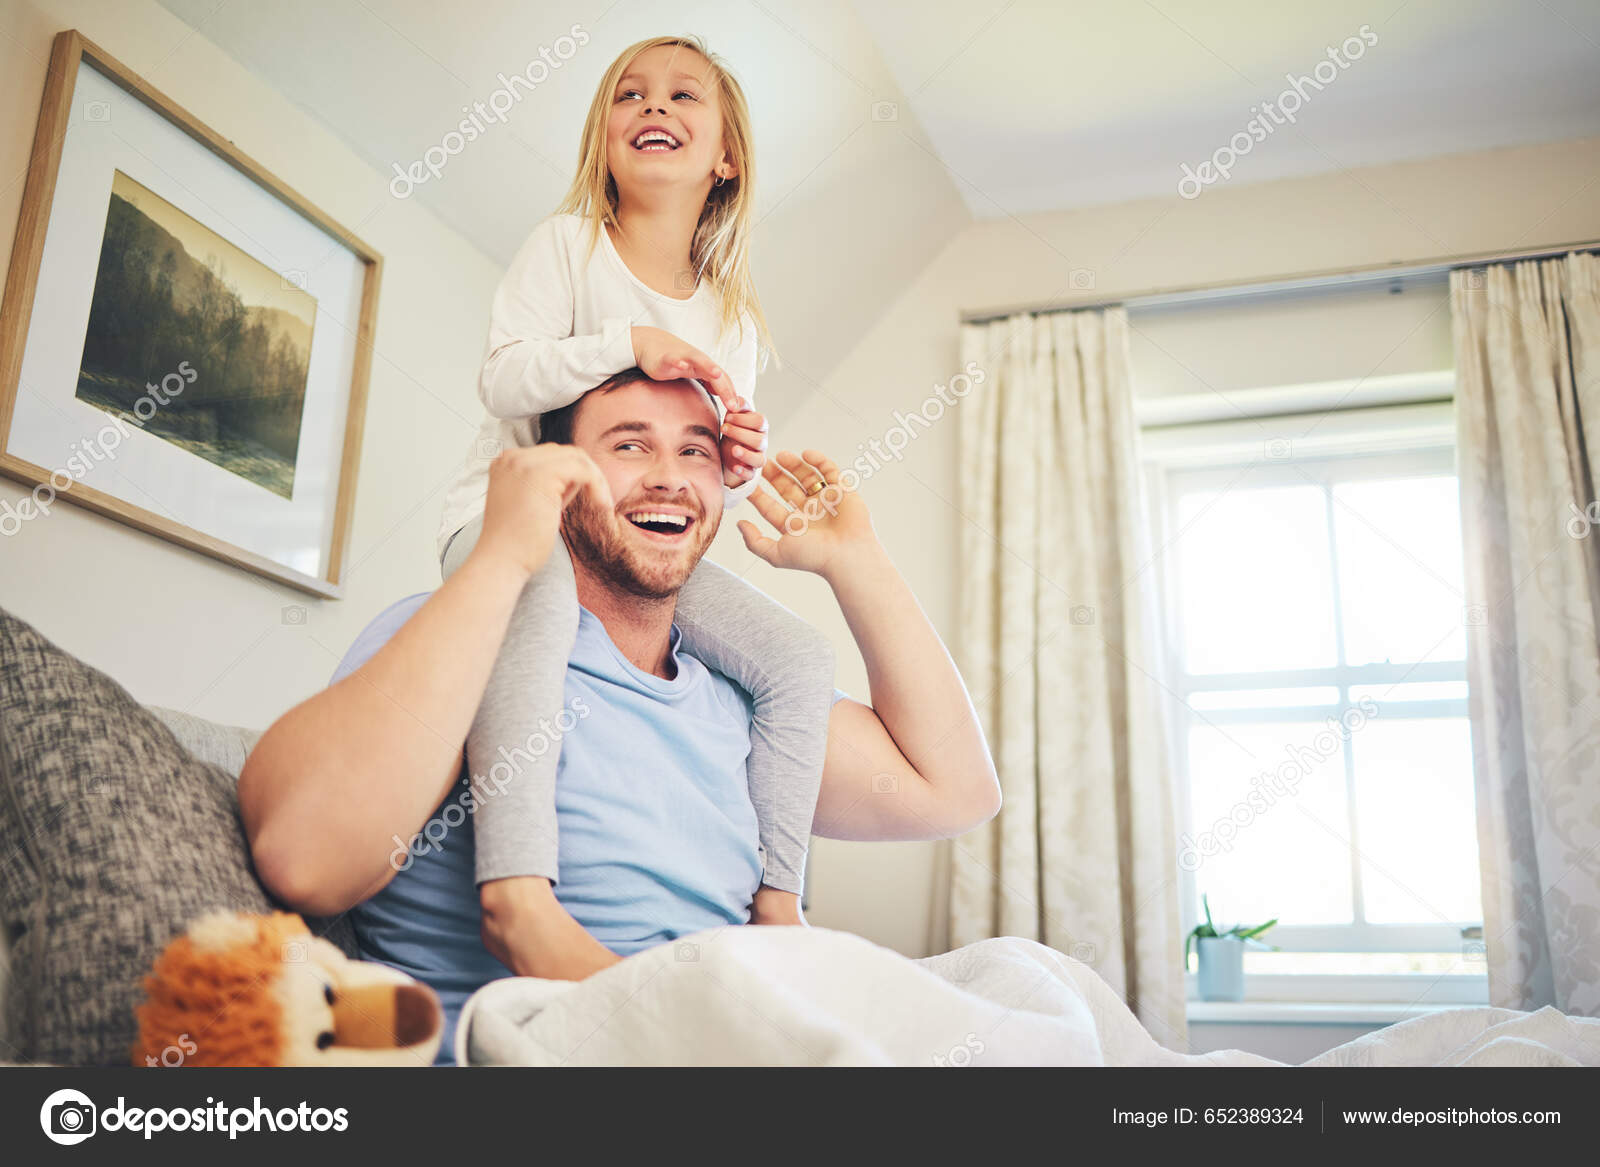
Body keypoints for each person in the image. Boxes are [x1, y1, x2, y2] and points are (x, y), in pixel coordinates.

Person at [238, 369, 1002, 1063]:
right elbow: (304, 858)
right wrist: (505, 555)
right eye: (629, 445)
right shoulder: (469, 639)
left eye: (696, 452)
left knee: (1025, 984)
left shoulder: (739, 703)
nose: (670, 478)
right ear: (561, 474)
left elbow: (956, 790)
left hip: (746, 1040)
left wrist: (856, 559)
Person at [434, 34, 833, 978]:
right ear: (604, 137)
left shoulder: (735, 315)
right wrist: (628, 342)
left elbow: (700, 467)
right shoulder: (567, 246)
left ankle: (778, 902)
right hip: (517, 528)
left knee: (796, 656)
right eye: (630, 96)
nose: (654, 108)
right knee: (534, 605)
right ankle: (520, 898)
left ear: (725, 156)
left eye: (683, 95)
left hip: (628, 552)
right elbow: (503, 379)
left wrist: (738, 455)